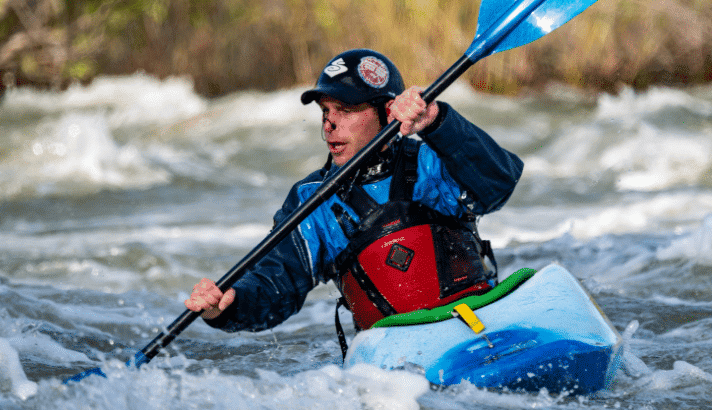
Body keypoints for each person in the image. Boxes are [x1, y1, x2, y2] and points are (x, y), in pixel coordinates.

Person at [185, 48, 523, 347]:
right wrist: (229, 306)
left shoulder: (432, 160)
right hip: (396, 356)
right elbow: (278, 282)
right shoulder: (312, 202)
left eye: (345, 110)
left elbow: (498, 184)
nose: (330, 123)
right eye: (325, 110)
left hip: (478, 322)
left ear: (388, 112)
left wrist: (437, 121)